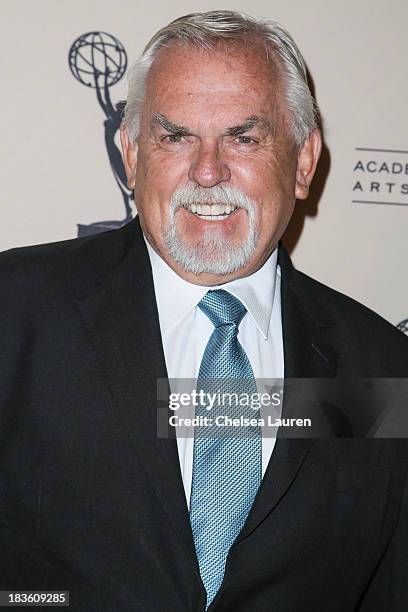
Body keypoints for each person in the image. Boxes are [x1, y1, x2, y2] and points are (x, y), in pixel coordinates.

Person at [0, 10, 407, 612]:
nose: (208, 171)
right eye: (176, 136)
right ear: (132, 156)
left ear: (303, 162)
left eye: (244, 138)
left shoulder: (380, 366)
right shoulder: (16, 311)